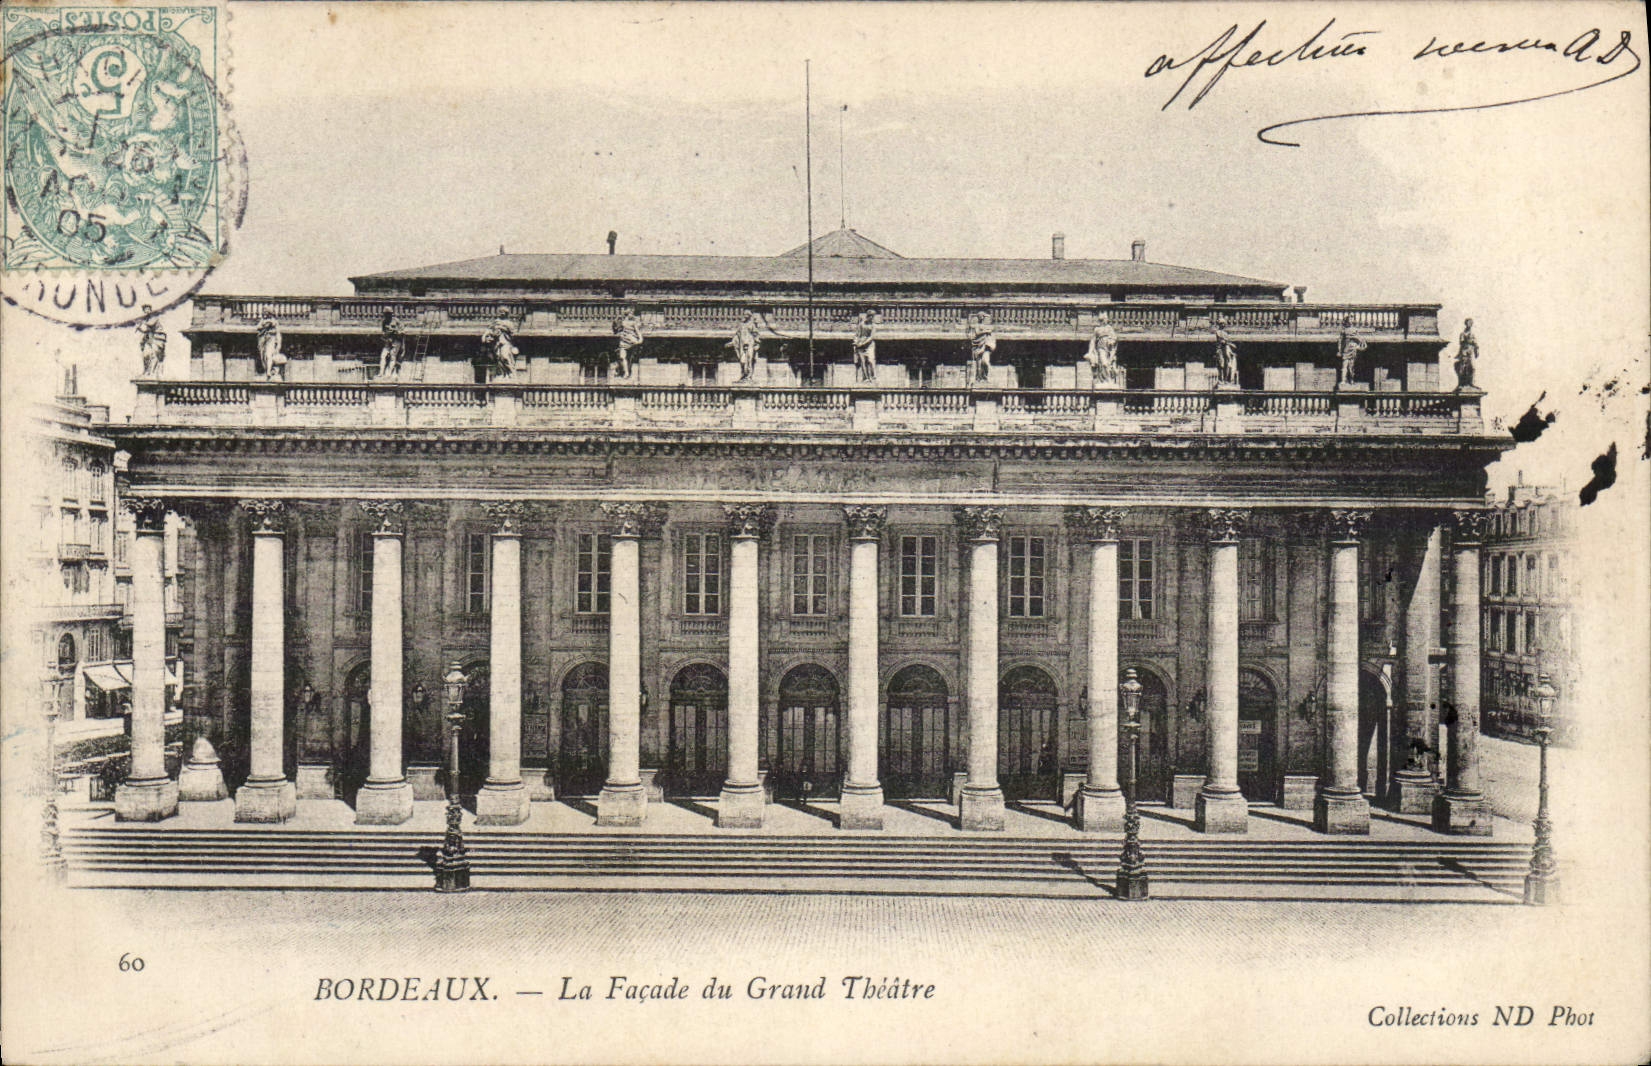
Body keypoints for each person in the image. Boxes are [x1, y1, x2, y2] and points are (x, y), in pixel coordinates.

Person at [481, 307, 518, 377]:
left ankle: (510, 372)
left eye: (503, 312)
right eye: (501, 312)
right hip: (497, 343)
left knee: (505, 356)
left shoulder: (509, 323)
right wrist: (484, 336)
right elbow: (489, 330)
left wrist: (504, 328)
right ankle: (502, 374)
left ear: (506, 313)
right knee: (498, 358)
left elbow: (513, 334)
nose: (502, 313)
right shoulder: (496, 322)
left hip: (505, 342)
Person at [1086, 311, 1120, 386]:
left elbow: (1114, 337)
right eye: (1102, 320)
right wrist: (1090, 352)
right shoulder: (1097, 329)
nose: (1104, 321)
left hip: (1109, 349)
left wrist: (1112, 341)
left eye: (1104, 319)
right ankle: (1106, 380)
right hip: (1101, 348)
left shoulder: (1109, 328)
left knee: (1108, 363)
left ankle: (1108, 380)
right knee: (1104, 364)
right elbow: (1093, 341)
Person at [728, 309, 762, 381]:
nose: (745, 316)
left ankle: (749, 376)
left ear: (749, 316)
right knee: (742, 360)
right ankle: (743, 373)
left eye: (747, 315)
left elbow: (756, 334)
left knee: (749, 360)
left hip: (750, 343)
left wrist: (757, 343)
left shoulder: (752, 324)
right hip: (742, 344)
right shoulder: (741, 325)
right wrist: (733, 342)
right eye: (745, 314)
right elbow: (737, 335)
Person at [1337, 314, 1368, 387]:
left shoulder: (1355, 330)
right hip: (1346, 349)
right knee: (1344, 365)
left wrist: (1359, 346)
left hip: (1353, 349)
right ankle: (1343, 380)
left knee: (1351, 366)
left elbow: (1361, 340)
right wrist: (1339, 351)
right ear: (1347, 320)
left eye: (1352, 319)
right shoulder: (1344, 330)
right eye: (1350, 319)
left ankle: (1351, 380)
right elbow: (1340, 341)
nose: (1351, 320)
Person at [137, 306, 167, 377]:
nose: (146, 311)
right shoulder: (146, 320)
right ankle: (147, 371)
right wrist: (140, 329)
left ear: (151, 310)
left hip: (158, 338)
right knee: (146, 355)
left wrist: (142, 322)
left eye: (148, 309)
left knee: (155, 354)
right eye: (145, 310)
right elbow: (147, 331)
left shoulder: (154, 318)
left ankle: (153, 373)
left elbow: (151, 324)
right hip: (150, 338)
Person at [613, 308, 643, 378]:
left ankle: (626, 371)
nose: (632, 315)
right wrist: (615, 322)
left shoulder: (633, 323)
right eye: (631, 313)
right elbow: (616, 329)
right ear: (627, 314)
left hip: (631, 340)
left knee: (629, 358)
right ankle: (625, 372)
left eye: (632, 314)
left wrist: (640, 339)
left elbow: (638, 331)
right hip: (623, 340)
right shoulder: (622, 322)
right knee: (622, 357)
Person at [255, 316, 286, 381]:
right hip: (263, 342)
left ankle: (268, 371)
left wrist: (278, 345)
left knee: (268, 356)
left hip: (271, 341)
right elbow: (257, 328)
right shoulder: (262, 321)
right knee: (263, 357)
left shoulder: (274, 323)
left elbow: (278, 335)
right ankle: (266, 370)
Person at [968, 311, 996, 382]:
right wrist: (986, 331)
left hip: (986, 347)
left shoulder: (989, 327)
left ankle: (985, 377)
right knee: (979, 365)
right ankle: (979, 378)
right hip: (978, 346)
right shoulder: (978, 326)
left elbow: (992, 338)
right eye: (980, 316)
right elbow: (977, 333)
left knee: (985, 362)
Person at [378, 310, 406, 378]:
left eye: (388, 314)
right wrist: (385, 335)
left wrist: (394, 330)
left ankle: (389, 373)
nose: (386, 316)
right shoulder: (384, 322)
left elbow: (403, 332)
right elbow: (383, 332)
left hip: (396, 341)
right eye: (385, 314)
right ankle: (381, 372)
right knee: (383, 356)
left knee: (392, 357)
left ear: (390, 314)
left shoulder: (396, 321)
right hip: (388, 341)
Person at [852, 310, 878, 383]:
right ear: (868, 316)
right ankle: (865, 378)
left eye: (873, 316)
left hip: (869, 345)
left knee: (870, 360)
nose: (871, 317)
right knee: (863, 362)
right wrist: (856, 342)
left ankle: (873, 377)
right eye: (870, 316)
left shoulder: (873, 325)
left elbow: (871, 337)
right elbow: (857, 335)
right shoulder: (861, 324)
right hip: (860, 344)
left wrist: (863, 343)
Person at [1212, 319, 1238, 385]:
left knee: (1228, 365)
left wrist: (1230, 345)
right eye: (1221, 323)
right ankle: (1221, 379)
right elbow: (1222, 341)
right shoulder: (1218, 332)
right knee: (1221, 365)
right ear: (1219, 324)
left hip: (1226, 350)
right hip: (1220, 350)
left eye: (1224, 323)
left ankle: (1226, 380)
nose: (1223, 325)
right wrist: (1230, 344)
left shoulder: (1226, 333)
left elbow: (1227, 341)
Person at [1455, 317, 1478, 388]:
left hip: (1471, 352)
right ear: (1466, 324)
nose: (1470, 324)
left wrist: (1476, 350)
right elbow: (1462, 343)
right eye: (1468, 323)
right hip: (1464, 351)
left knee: (1472, 368)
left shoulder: (1472, 334)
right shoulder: (1463, 333)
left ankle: (1471, 383)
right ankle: (1462, 383)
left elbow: (1475, 344)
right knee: (1463, 367)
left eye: (1471, 323)